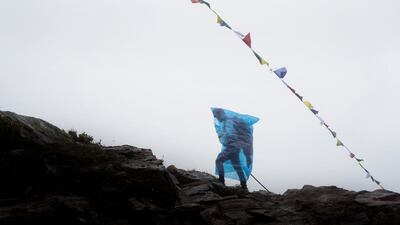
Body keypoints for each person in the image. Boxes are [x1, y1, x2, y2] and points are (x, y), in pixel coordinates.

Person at [213, 108, 254, 189]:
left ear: (221, 114)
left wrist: (230, 143)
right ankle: (244, 186)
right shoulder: (227, 121)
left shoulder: (229, 121)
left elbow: (232, 134)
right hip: (234, 147)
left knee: (219, 160)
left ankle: (221, 181)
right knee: (237, 166)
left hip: (232, 147)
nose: (216, 118)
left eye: (216, 116)